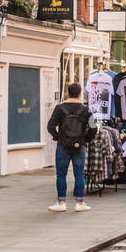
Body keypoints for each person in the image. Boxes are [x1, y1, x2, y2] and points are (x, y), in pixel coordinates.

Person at [46, 83, 97, 212]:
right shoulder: (86, 109)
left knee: (61, 175)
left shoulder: (59, 108)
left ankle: (61, 202)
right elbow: (93, 128)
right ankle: (79, 203)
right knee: (79, 174)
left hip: (63, 146)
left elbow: (50, 126)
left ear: (68, 93)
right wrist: (86, 140)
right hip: (79, 146)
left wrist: (58, 137)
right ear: (80, 94)